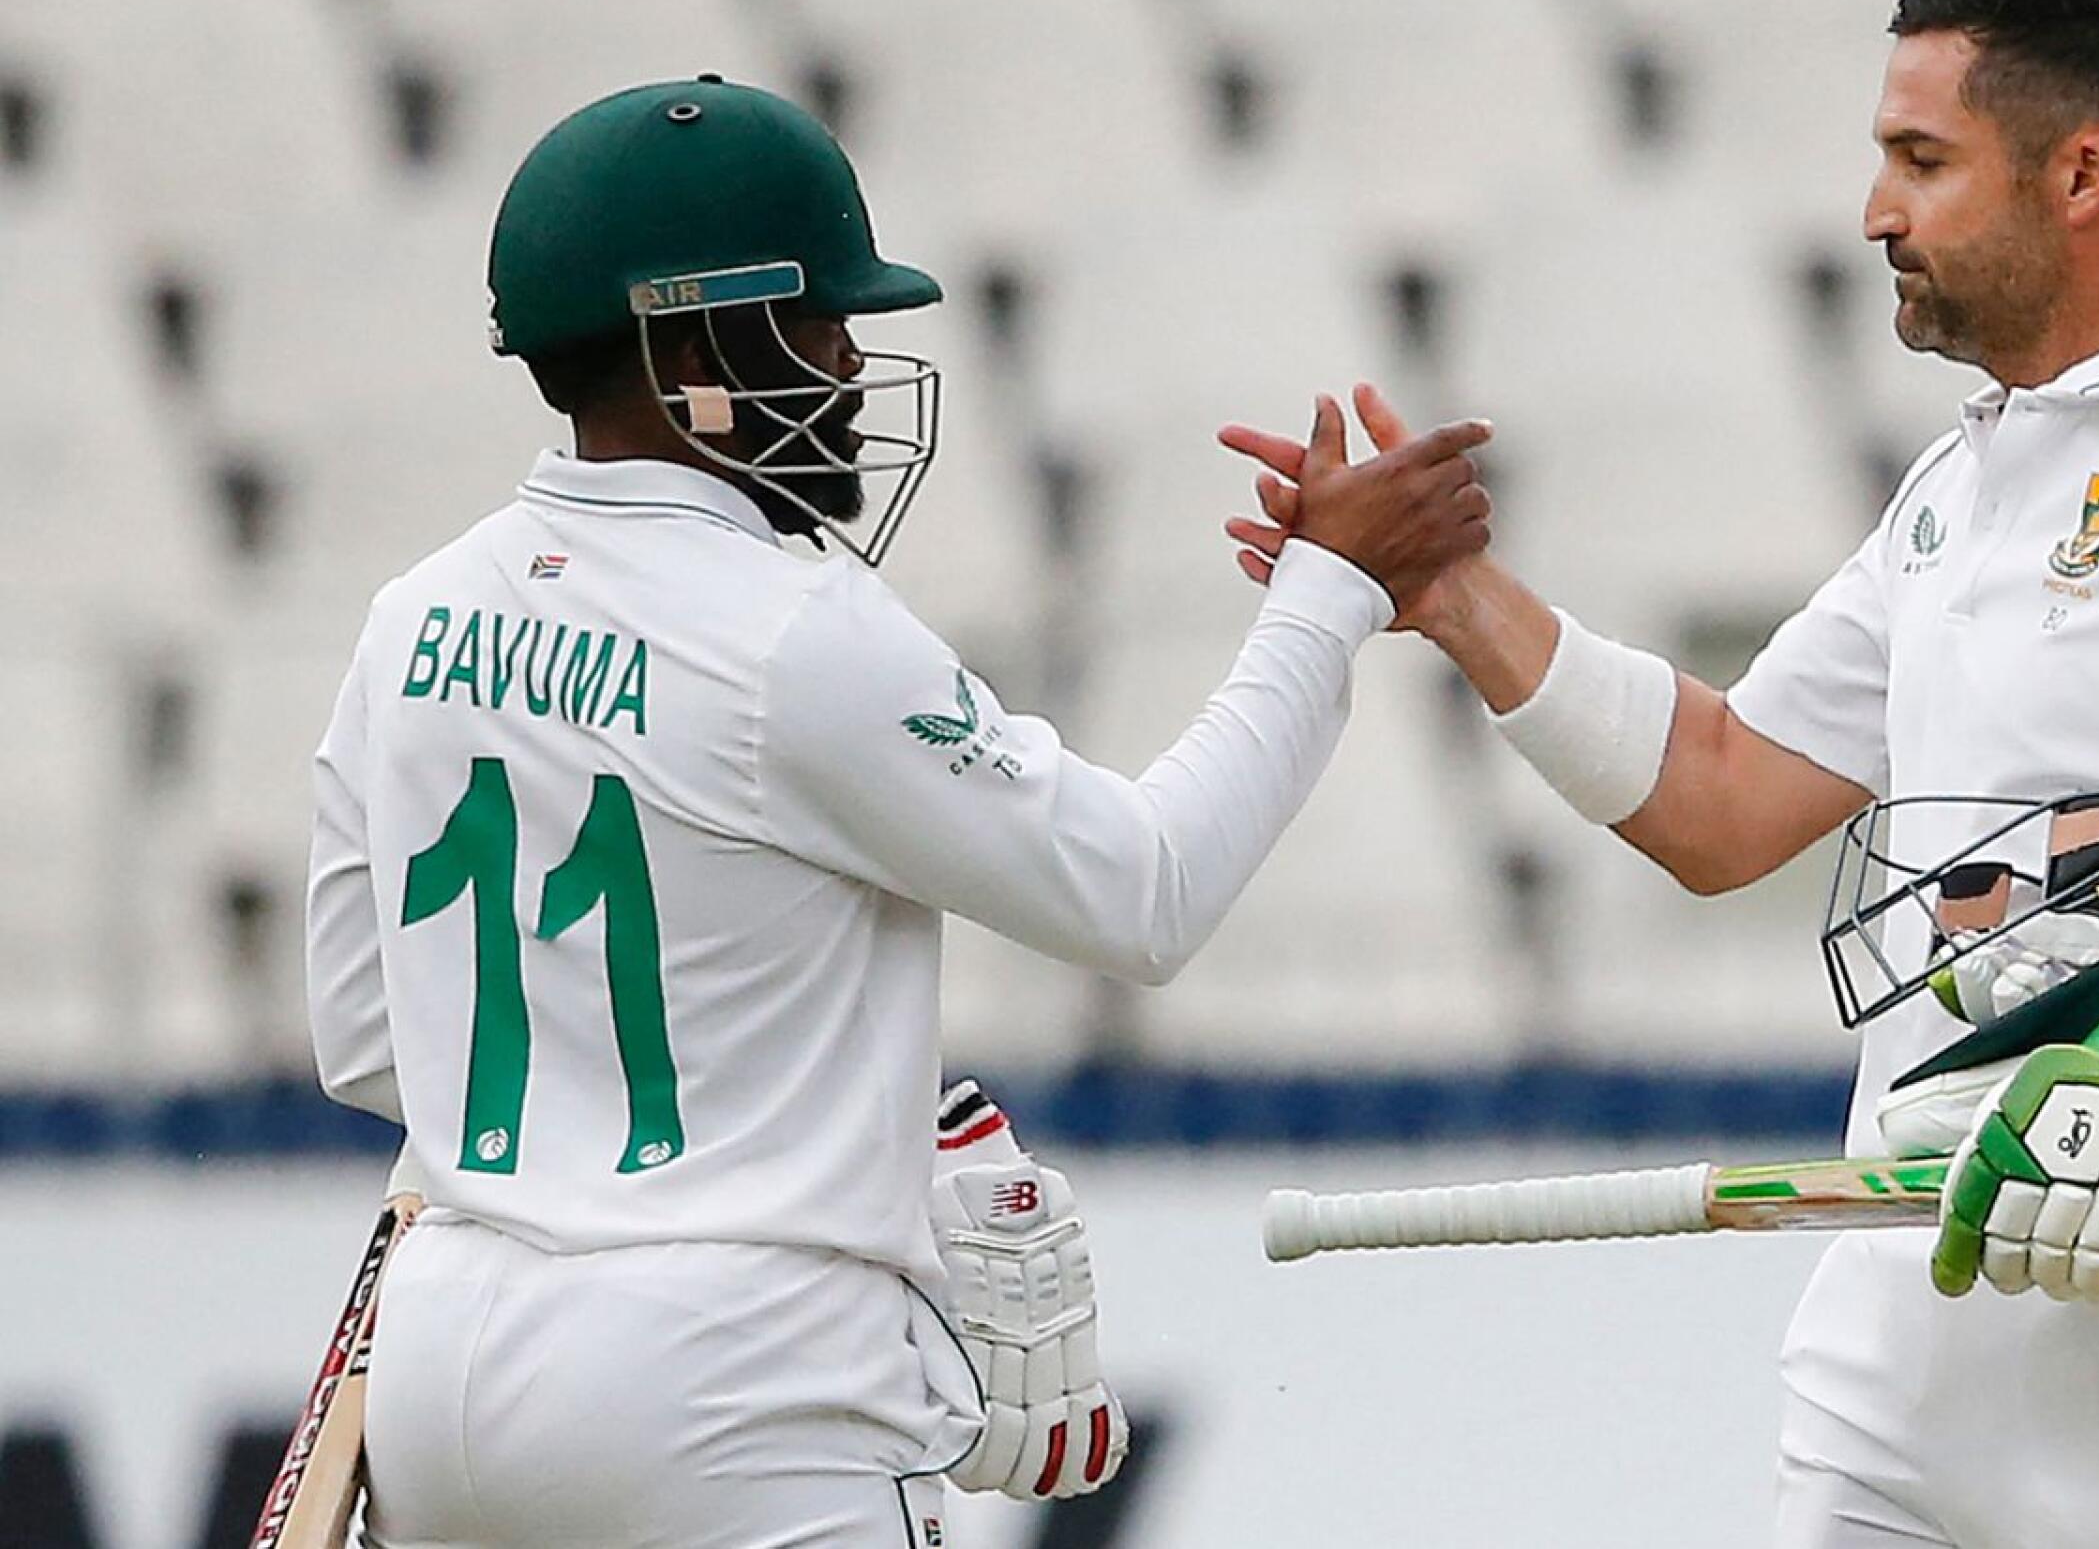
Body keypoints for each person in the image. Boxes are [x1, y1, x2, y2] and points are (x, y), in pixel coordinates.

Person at [1223, 0, 2099, 1547]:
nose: (1875, 210)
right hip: (1913, 1326)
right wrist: (1449, 591)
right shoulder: (1957, 493)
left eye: (1921, 160)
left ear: (2082, 175)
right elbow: (1719, 800)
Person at [303, 75, 1492, 1547]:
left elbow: (372, 1048)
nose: (855, 367)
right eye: (821, 324)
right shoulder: (793, 630)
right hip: (731, 1391)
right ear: (700, 344)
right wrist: (1331, 595)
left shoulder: (410, 619)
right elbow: (1142, 892)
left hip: (442, 1373)